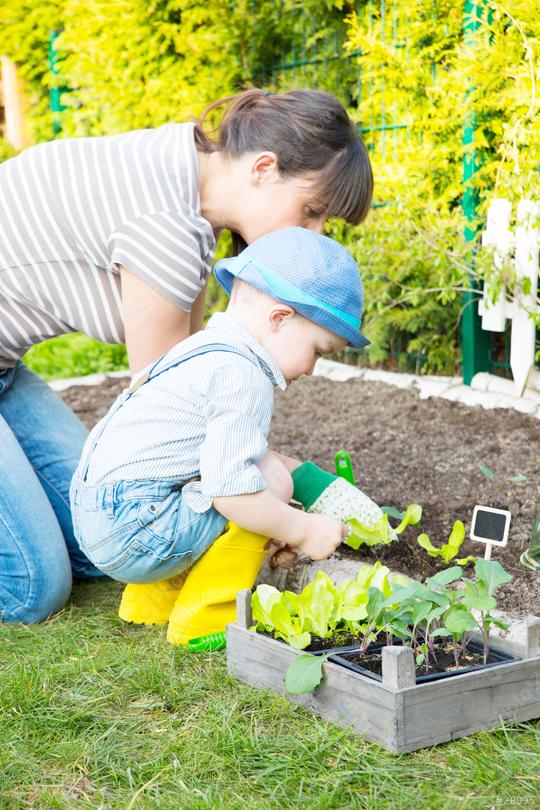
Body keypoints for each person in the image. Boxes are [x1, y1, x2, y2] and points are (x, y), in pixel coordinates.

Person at [0, 88, 373, 623]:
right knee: (33, 585)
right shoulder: (170, 228)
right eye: (311, 212)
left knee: (95, 547)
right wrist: (293, 492)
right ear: (264, 169)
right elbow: (176, 420)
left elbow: (202, 382)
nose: (311, 235)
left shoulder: (184, 181)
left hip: (4, 371)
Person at [70, 227, 374, 645]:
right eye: (318, 351)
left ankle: (150, 602)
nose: (312, 369)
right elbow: (233, 494)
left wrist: (274, 520)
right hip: (135, 531)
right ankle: (206, 619)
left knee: (254, 472)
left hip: (97, 514)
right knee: (270, 481)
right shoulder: (244, 375)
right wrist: (303, 528)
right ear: (280, 319)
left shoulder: (202, 350)